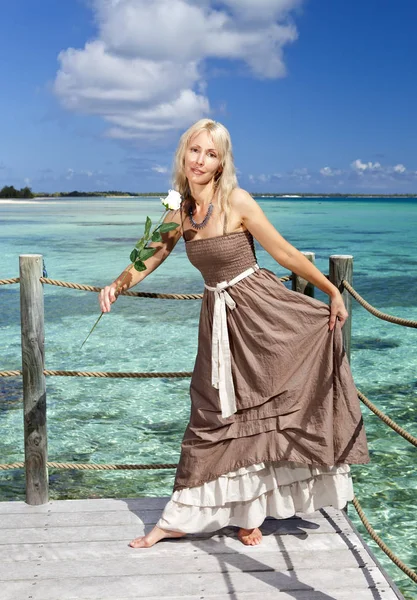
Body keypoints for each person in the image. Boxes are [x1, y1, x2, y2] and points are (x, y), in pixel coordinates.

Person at [99, 118, 370, 548]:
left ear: (222, 162)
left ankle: (251, 513)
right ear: (182, 154)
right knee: (212, 415)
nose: (200, 160)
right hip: (219, 321)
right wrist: (116, 284)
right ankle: (176, 520)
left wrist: (332, 290)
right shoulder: (179, 211)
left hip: (262, 315)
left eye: (211, 153)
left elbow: (282, 252)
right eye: (194, 150)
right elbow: (151, 256)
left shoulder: (238, 202)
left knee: (262, 409)